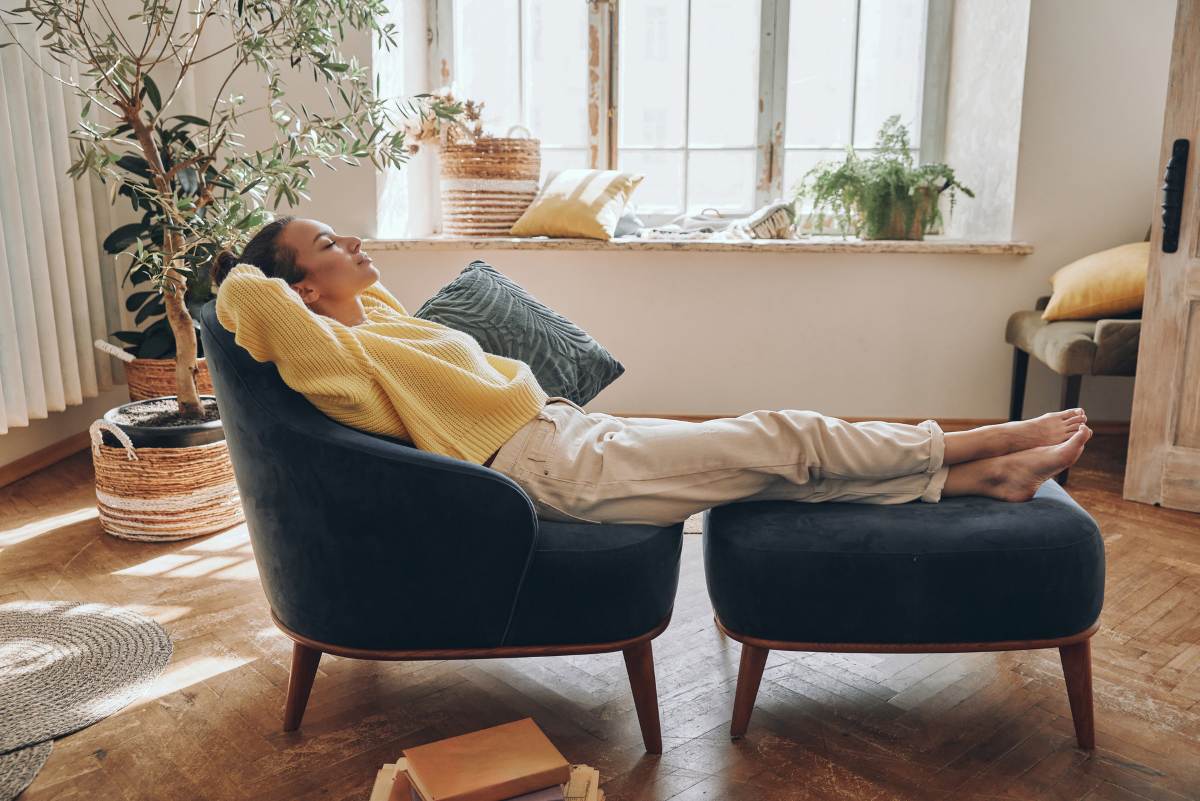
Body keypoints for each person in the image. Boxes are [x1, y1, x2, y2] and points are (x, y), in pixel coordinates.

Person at [213, 216, 1092, 527]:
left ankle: (983, 480)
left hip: (569, 434)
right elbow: (243, 300)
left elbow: (309, 291)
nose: (357, 245)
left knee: (771, 470)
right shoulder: (339, 355)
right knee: (781, 433)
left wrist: (322, 268)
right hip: (547, 469)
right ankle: (985, 439)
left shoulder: (379, 321)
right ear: (299, 286)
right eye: (331, 244)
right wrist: (242, 266)